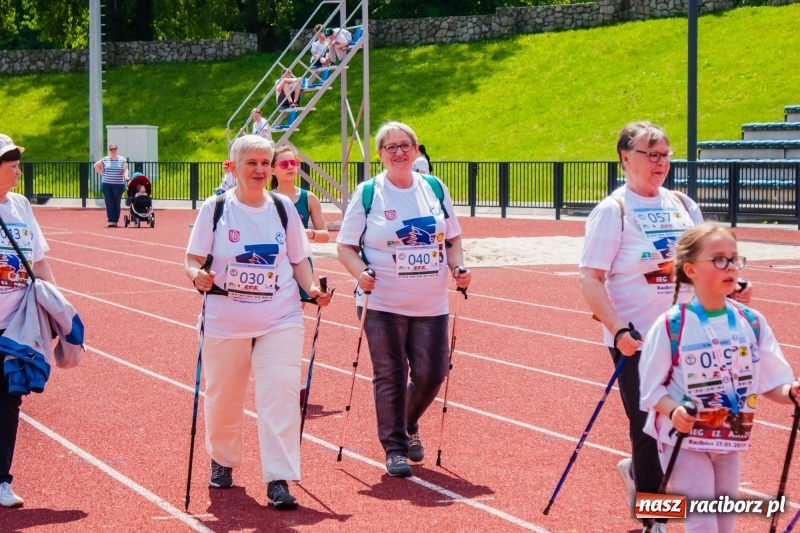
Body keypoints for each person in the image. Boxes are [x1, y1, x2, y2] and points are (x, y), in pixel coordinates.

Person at [578, 121, 751, 532]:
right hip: (638, 341)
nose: (660, 163)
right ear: (625, 158)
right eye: (650, 154)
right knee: (651, 431)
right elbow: (590, 279)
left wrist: (732, 282)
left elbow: (705, 262)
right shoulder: (613, 211)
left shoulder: (683, 205)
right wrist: (618, 328)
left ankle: (640, 478)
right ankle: (656, 521)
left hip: (690, 337)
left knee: (691, 429)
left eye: (665, 155)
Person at [184, 135, 330, 508]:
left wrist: (312, 287)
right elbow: (192, 259)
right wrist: (195, 275)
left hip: (279, 317)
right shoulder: (216, 209)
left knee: (280, 394)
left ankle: (279, 478)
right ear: (232, 167)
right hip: (225, 321)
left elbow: (299, 260)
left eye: (265, 163)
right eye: (251, 163)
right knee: (224, 397)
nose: (261, 170)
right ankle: (223, 460)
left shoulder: (282, 209)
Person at [639, 223, 799, 533]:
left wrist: (792, 391)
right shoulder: (672, 324)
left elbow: (774, 384)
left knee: (725, 526)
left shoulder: (751, 322)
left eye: (734, 258)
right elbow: (650, 391)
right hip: (684, 442)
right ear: (691, 270)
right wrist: (674, 410)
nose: (730, 267)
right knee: (703, 526)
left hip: (730, 441)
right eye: (718, 259)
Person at [337, 121, 471, 477]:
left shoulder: (433, 187)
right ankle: (395, 447)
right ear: (380, 154)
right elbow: (345, 246)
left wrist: (459, 267)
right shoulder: (369, 193)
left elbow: (453, 239)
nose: (399, 152)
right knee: (391, 373)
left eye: (405, 145)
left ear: (416, 150)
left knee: (432, 374)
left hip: (431, 302)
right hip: (382, 301)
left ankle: (408, 421)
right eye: (390, 147)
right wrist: (359, 272)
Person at [0, 134, 58, 508]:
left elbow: (38, 260)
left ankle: (2, 480)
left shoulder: (20, 206)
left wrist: (56, 306)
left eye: (17, 163)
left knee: (9, 402)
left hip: (17, 326)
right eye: (10, 163)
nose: (17, 169)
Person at [271, 146, 329, 244]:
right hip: (277, 258)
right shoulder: (266, 199)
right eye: (284, 164)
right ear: (272, 170)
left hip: (303, 258)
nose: (290, 167)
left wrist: (309, 233)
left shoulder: (309, 198)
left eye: (293, 163)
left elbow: (325, 236)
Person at [93, 143, 129, 227]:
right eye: (111, 149)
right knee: (109, 202)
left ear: (117, 150)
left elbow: (125, 169)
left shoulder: (122, 159)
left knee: (117, 202)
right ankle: (111, 220)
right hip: (107, 184)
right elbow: (96, 165)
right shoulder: (105, 159)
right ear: (109, 151)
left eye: (114, 149)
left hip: (118, 184)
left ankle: (115, 220)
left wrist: (126, 176)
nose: (113, 151)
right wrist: (102, 174)